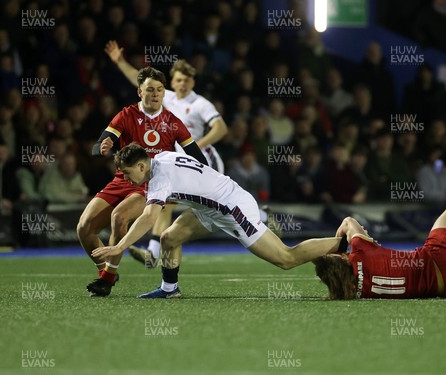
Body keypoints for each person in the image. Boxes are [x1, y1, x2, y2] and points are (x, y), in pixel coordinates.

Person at [91, 143, 344, 298]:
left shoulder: (159, 179)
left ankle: (343, 243)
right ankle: (169, 289)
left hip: (232, 209)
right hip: (210, 208)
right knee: (169, 237)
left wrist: (119, 247)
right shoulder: (161, 157)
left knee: (286, 259)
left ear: (142, 166)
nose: (126, 178)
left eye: (127, 173)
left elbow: (148, 218)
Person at [314, 138, 446, 300]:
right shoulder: (360, 252)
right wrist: (338, 246)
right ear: (342, 259)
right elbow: (349, 221)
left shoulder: (356, 293)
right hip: (435, 259)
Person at [77, 66, 207, 297]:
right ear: (139, 92)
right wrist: (102, 148)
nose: (155, 94)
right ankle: (107, 272)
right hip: (121, 180)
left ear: (164, 93)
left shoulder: (172, 122)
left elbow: (197, 156)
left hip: (150, 185)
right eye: (150, 90)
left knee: (119, 216)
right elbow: (99, 145)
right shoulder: (126, 115)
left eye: (159, 90)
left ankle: (106, 280)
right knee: (84, 228)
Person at [104, 40, 228, 267]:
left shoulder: (200, 103)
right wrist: (120, 61)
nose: (183, 84)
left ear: (193, 81)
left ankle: (259, 215)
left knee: (217, 204)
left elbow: (221, 128)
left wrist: (197, 146)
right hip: (175, 163)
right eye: (179, 80)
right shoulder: (165, 96)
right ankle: (153, 253)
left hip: (201, 161)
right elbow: (137, 79)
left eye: (187, 80)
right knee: (163, 204)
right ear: (173, 81)